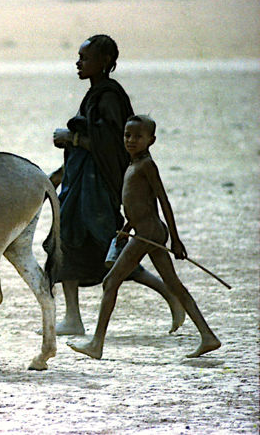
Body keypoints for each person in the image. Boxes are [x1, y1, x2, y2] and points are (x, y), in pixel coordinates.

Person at [50, 35, 185, 335]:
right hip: (78, 189)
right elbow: (90, 147)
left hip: (98, 191)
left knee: (108, 248)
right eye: (78, 56)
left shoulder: (110, 97)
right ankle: (72, 318)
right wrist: (58, 176)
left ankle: (169, 294)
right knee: (66, 244)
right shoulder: (95, 94)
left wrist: (71, 138)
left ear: (105, 62)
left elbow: (111, 146)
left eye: (85, 58)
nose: (78, 62)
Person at [68, 115, 221, 358]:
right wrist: (128, 228)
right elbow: (142, 203)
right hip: (145, 230)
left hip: (149, 233)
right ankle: (208, 336)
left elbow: (163, 200)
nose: (131, 140)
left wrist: (176, 239)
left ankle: (96, 344)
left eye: (138, 137)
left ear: (152, 140)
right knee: (173, 284)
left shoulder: (147, 165)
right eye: (128, 135)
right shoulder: (133, 165)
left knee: (110, 281)